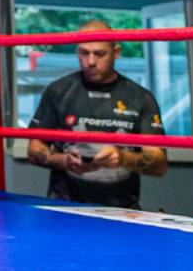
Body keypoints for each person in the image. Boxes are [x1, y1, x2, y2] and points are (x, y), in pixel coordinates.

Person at [26, 19, 168, 208]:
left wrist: (123, 158)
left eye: (100, 54)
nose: (91, 62)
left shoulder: (140, 97)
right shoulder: (58, 91)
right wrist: (64, 161)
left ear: (116, 53)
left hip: (120, 208)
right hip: (65, 206)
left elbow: (159, 165)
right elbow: (34, 149)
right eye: (84, 53)